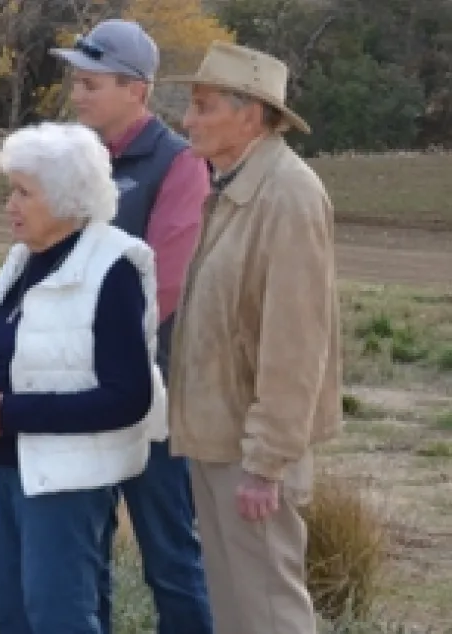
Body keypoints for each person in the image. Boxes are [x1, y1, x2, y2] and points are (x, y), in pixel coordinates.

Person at [0, 122, 167, 634]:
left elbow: (130, 396)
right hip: (2, 465)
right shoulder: (24, 259)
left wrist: (11, 413)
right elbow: (6, 348)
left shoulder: (114, 267)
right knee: (9, 611)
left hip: (66, 479)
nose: (10, 205)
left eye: (24, 192)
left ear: (66, 198)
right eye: (11, 190)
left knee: (59, 616)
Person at [163, 42, 341, 634]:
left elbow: (296, 344)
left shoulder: (288, 193)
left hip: (250, 451)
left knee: (269, 611)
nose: (187, 120)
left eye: (203, 106)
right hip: (219, 441)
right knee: (238, 609)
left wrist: (266, 463)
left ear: (251, 115)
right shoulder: (235, 186)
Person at [50, 19, 214, 633]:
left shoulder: (179, 164)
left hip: (154, 396)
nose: (78, 93)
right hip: (79, 390)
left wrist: (88, 339)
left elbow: (164, 287)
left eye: (93, 83)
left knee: (170, 555)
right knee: (85, 554)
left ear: (137, 91)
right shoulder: (72, 160)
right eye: (78, 81)